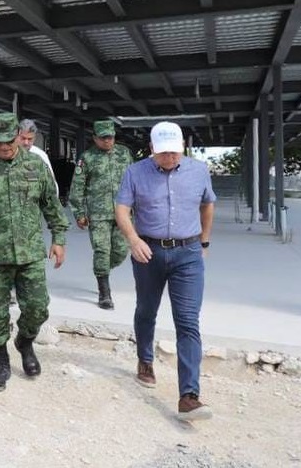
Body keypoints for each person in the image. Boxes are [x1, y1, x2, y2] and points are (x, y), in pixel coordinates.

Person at [114, 121, 216, 422]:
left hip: (188, 253)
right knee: (146, 310)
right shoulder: (135, 172)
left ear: (182, 147)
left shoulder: (199, 170)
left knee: (187, 321)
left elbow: (208, 205)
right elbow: (121, 209)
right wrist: (133, 240)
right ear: (152, 150)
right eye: (163, 154)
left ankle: (189, 396)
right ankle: (145, 360)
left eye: (174, 152)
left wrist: (204, 241)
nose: (170, 158)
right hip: (149, 252)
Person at [0, 113, 68, 391]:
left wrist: (59, 237)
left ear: (19, 136)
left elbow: (52, 205)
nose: (5, 147)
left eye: (10, 141)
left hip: (30, 253)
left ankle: (25, 342)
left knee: (37, 308)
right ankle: (1, 361)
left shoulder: (35, 165)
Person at [70, 120, 133, 310]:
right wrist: (79, 212)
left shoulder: (124, 153)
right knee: (102, 251)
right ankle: (104, 293)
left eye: (111, 137)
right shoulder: (87, 158)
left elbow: (134, 180)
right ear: (95, 138)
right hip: (98, 214)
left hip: (123, 212)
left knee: (121, 251)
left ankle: (102, 270)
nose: (108, 141)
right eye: (103, 138)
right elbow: (77, 187)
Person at [16, 119, 57, 194]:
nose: (26, 142)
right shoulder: (8, 153)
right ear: (17, 136)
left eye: (30, 139)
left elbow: (52, 184)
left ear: (34, 138)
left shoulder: (40, 155)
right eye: (23, 138)